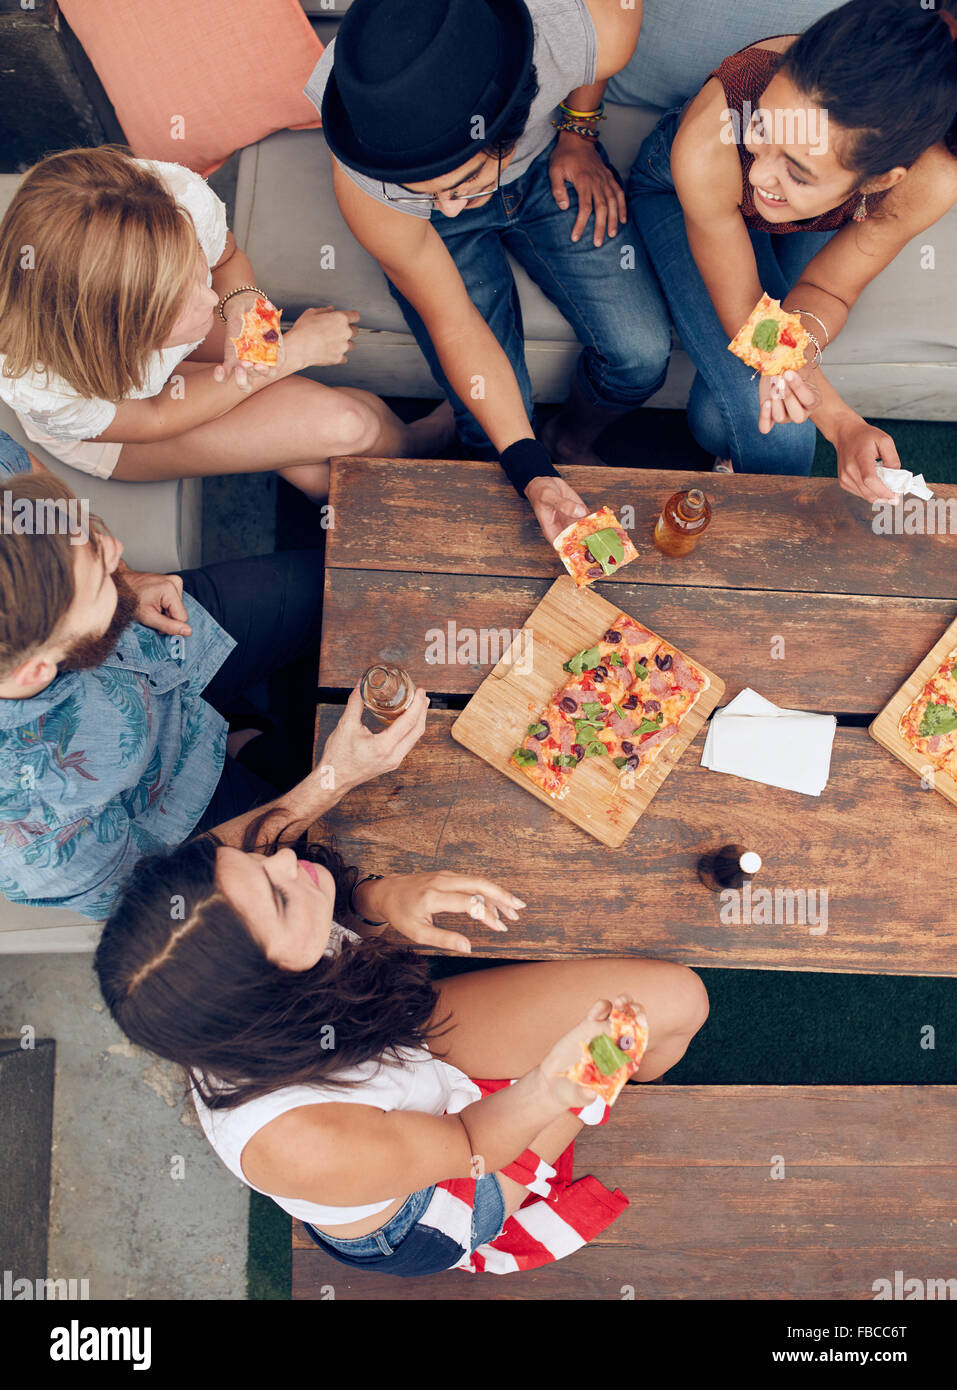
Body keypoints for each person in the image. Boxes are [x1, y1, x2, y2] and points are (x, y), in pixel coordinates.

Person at [94, 827, 709, 1276]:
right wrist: (552, 1088)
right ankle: (606, 1088)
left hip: (397, 1045)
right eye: (280, 897)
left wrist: (379, 902)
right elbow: (470, 1147)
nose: (286, 859)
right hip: (434, 1202)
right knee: (635, 1034)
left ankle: (617, 1075)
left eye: (254, 861)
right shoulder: (298, 1142)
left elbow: (324, 915)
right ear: (268, 996)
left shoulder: (214, 934)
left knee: (674, 1004)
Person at [0, 431, 428, 918]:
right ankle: (249, 741)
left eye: (96, 540)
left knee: (362, 584)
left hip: (156, 635)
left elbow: (21, 472)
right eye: (98, 569)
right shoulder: (26, 829)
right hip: (179, 805)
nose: (116, 545)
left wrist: (120, 581)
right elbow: (161, 896)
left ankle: (244, 733)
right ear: (35, 669)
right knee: (366, 864)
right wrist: (331, 781)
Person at [304, 0, 676, 543]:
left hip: (544, 163)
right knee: (488, 423)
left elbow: (605, 45)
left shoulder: (585, 27)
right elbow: (455, 323)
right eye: (431, 190)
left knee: (641, 357)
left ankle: (569, 437)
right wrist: (533, 474)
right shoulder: (374, 186)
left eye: (462, 183)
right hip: (413, 220)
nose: (451, 207)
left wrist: (578, 130)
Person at [627, 0, 957, 498]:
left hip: (816, 213)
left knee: (746, 404)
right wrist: (841, 422)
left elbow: (830, 288)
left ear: (881, 180)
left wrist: (798, 356)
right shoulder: (708, 147)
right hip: (682, 193)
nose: (757, 174)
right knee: (778, 426)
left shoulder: (930, 180)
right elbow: (746, 310)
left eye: (797, 168)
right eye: (760, 127)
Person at [0, 147, 452, 500]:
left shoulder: (161, 204)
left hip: (149, 378)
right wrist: (290, 351)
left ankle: (339, 476)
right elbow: (157, 416)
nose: (211, 297)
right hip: (125, 428)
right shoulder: (45, 387)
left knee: (337, 444)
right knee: (355, 425)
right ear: (120, 329)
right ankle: (416, 444)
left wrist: (252, 322)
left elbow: (230, 262)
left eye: (197, 272)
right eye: (179, 301)